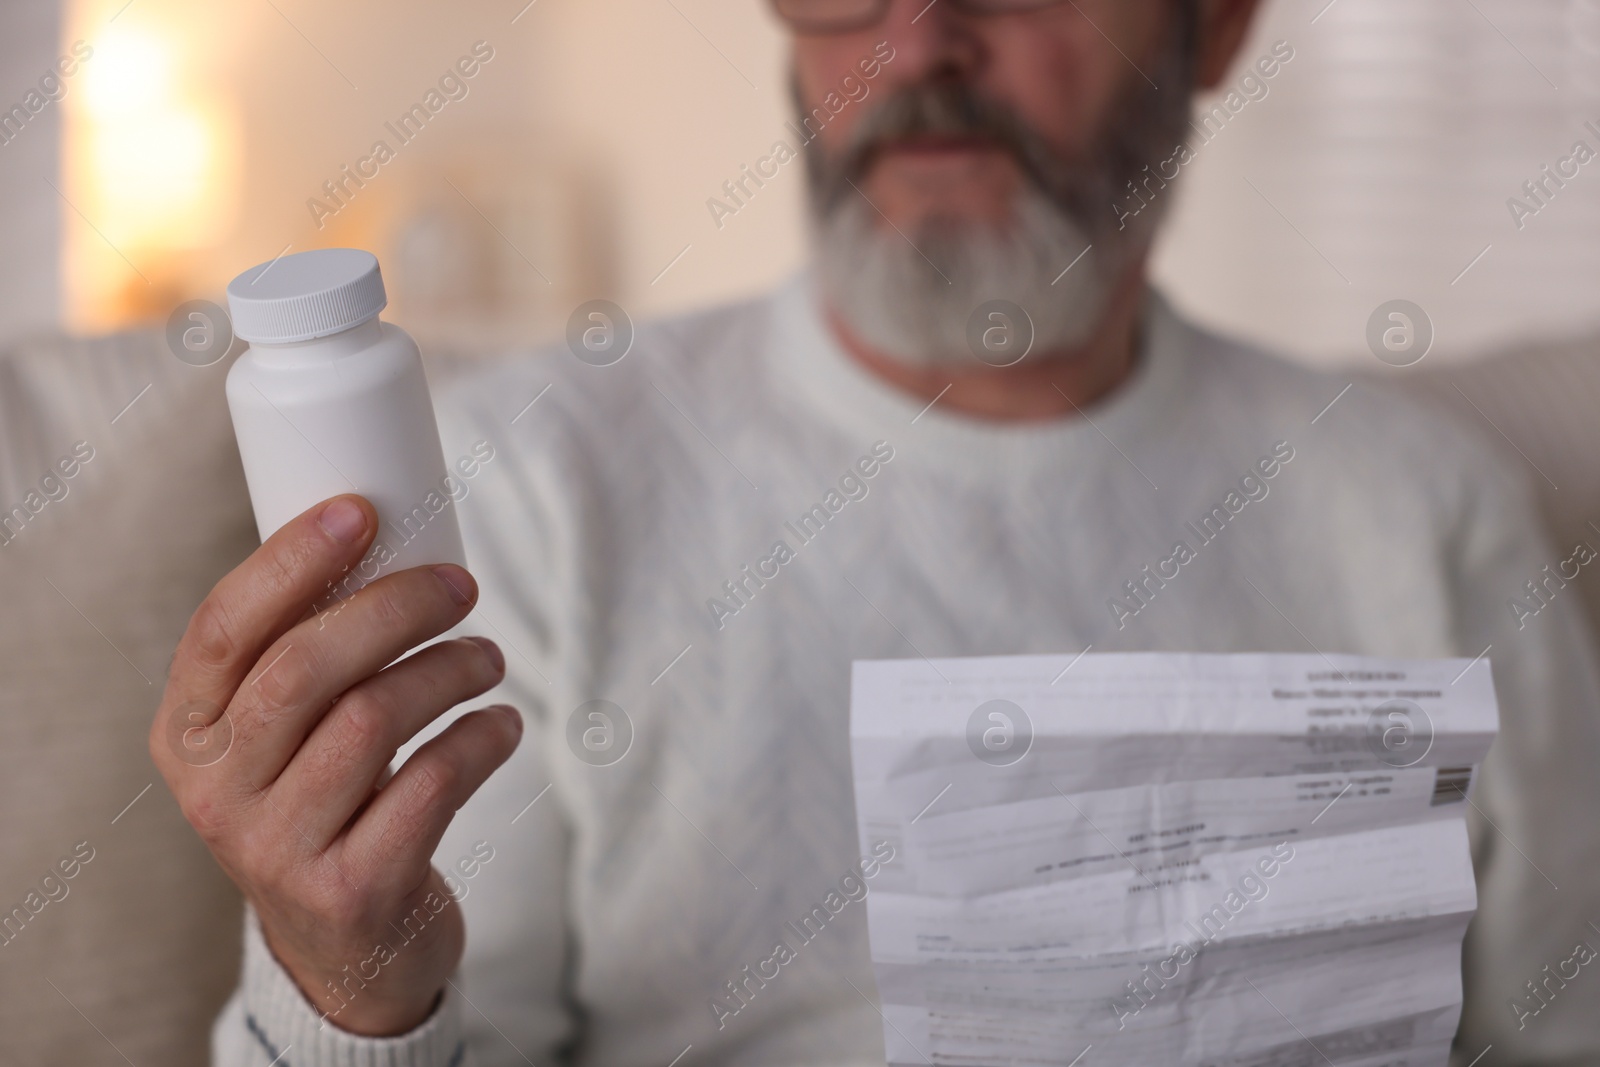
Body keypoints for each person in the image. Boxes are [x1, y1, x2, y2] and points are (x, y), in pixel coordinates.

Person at [152, 0, 1600, 1064]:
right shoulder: (525, 494)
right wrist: (343, 981)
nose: (916, 46)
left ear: (1214, 27)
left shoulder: (1424, 514)